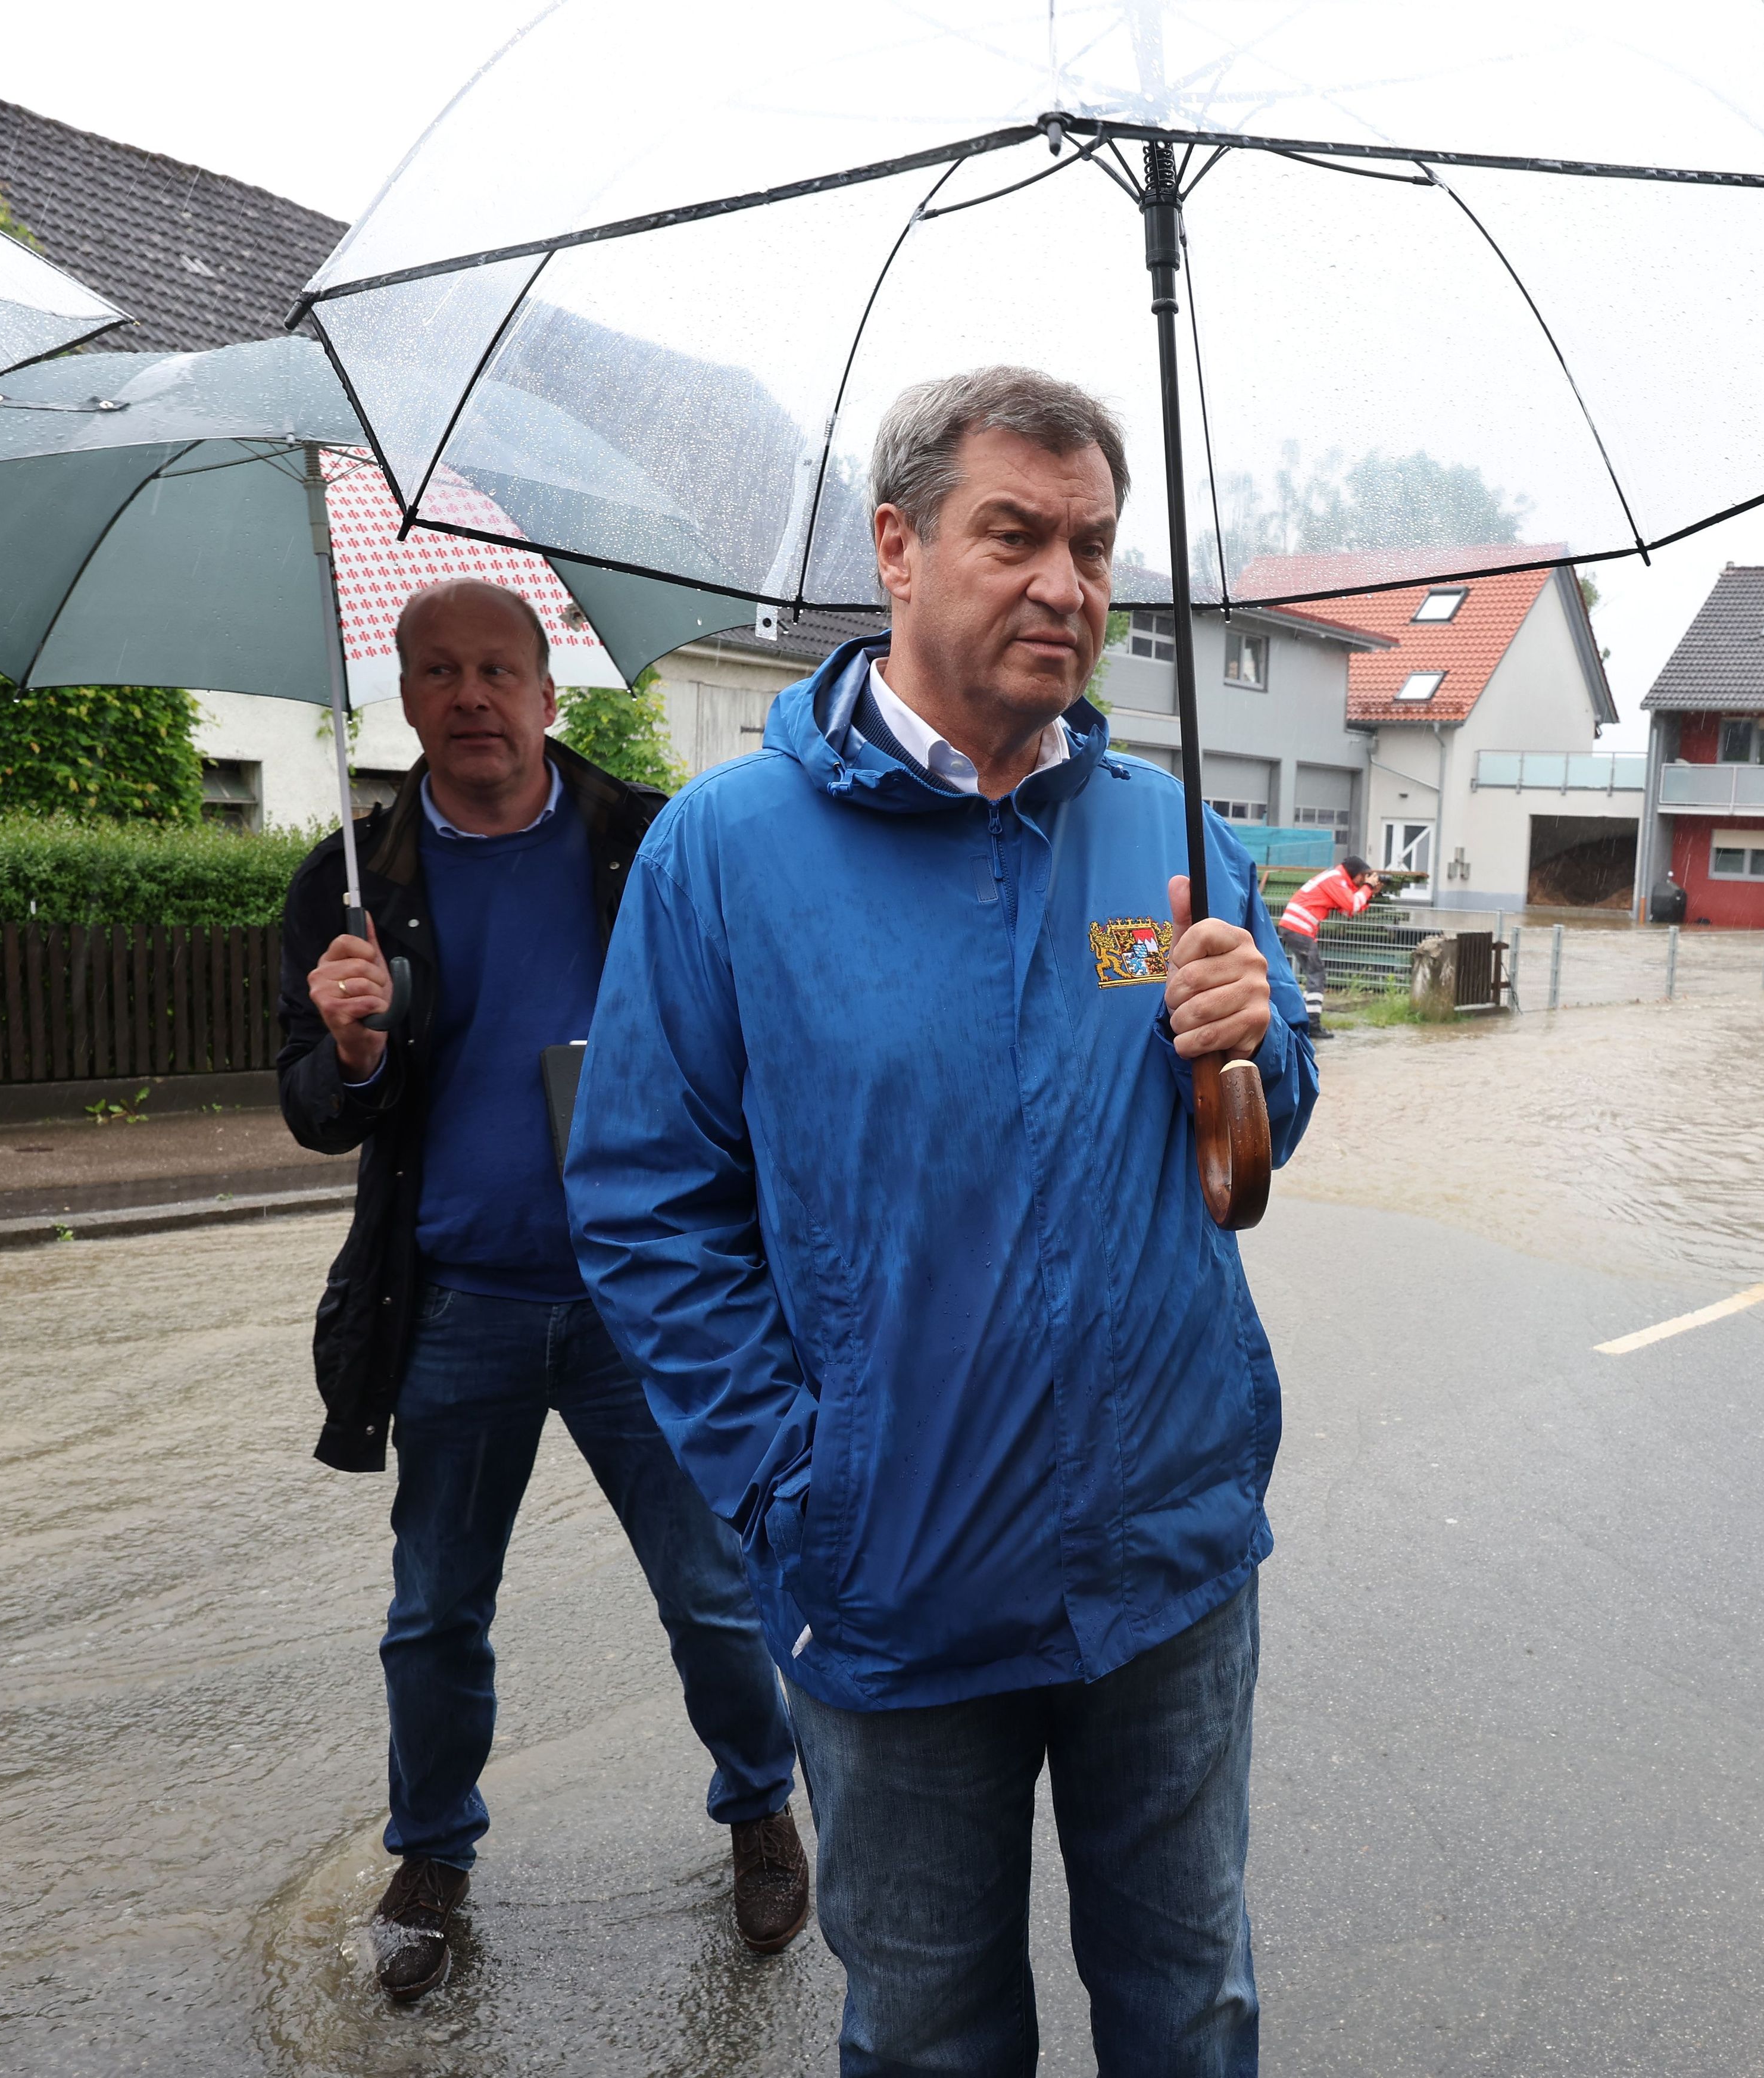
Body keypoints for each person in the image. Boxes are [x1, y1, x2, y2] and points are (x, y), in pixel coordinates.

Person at [564, 367, 1316, 2077]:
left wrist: (1251, 1031)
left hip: (1171, 1566)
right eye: (1017, 533)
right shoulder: (723, 856)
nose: (1068, 581)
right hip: (890, 1587)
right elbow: (643, 1206)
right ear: (897, 548)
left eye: (1097, 545)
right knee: (926, 2035)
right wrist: (793, 1484)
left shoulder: (1171, 838)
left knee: (1193, 2009)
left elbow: (1259, 1134)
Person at [276, 578, 805, 2004]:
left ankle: (761, 1803)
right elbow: (317, 1111)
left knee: (712, 1589)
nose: (472, 696)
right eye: (439, 671)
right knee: (436, 1609)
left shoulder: (652, 843)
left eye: (497, 669)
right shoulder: (348, 884)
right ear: (406, 698)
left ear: (545, 692)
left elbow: (757, 1036)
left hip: (657, 1300)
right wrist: (358, 1048)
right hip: (457, 1301)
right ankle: (433, 1851)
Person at [1276, 854, 1380, 1028]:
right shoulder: (1336, 879)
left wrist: (1370, 892)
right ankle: (1312, 1023)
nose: (1363, 880)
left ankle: (1303, 1018)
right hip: (1298, 928)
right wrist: (1368, 887)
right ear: (1355, 872)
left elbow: (1350, 911)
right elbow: (1352, 905)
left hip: (1296, 928)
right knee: (1316, 974)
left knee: (1313, 973)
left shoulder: (1337, 879)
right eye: (1363, 876)